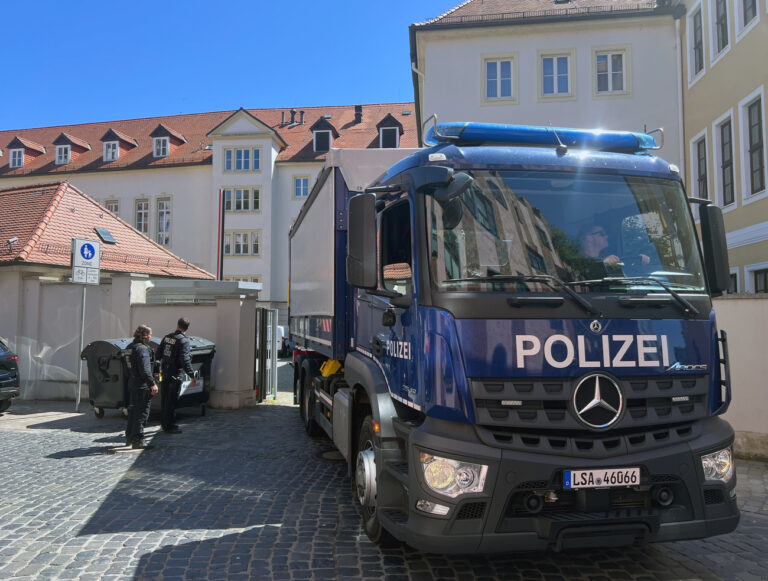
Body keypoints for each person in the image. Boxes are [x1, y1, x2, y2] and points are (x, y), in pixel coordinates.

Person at [157, 317, 196, 434]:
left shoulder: (167, 337)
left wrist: (157, 370)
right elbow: (185, 360)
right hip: (175, 373)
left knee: (165, 399)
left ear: (177, 325)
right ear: (187, 328)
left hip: (164, 372)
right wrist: (192, 375)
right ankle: (169, 426)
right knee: (171, 400)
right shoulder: (183, 341)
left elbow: (158, 354)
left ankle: (164, 423)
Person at [124, 324, 158, 450]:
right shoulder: (142, 349)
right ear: (145, 335)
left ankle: (129, 437)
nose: (151, 337)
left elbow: (125, 368)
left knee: (133, 412)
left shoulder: (129, 347)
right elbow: (145, 370)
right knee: (142, 413)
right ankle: (138, 440)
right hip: (142, 386)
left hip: (132, 384)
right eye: (150, 334)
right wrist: (152, 384)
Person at [579, 223, 649, 277]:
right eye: (602, 233)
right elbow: (587, 274)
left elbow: (624, 274)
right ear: (588, 238)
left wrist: (637, 261)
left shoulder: (605, 257)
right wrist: (603, 264)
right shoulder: (580, 261)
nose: (606, 236)